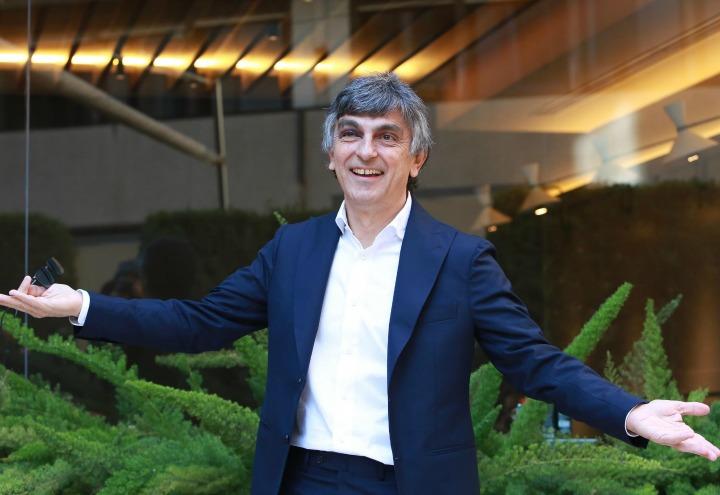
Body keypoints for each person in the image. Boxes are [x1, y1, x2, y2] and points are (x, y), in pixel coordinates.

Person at [0, 73, 717, 495]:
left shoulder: (461, 261)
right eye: (351, 134)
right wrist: (80, 306)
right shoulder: (294, 249)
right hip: (301, 477)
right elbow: (199, 322)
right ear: (332, 153)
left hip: (408, 482)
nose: (365, 151)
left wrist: (629, 412)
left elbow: (534, 362)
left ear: (416, 158)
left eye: (386, 136)